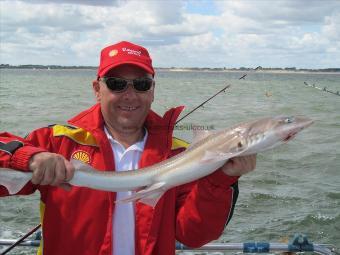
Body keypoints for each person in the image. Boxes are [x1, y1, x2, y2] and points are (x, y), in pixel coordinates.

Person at [0, 41, 256, 255]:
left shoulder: (180, 155)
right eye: (116, 84)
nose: (130, 95)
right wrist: (29, 158)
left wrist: (223, 179)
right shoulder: (56, 142)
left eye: (142, 84)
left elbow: (194, 235)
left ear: (153, 90)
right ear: (97, 89)